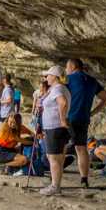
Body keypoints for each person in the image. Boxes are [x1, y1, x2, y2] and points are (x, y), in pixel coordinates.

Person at [64, 58, 106, 189]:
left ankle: (56, 179)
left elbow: (60, 97)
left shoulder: (69, 79)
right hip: (83, 119)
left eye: (67, 67)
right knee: (81, 148)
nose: (66, 70)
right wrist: (93, 112)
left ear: (72, 66)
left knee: (60, 147)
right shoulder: (92, 81)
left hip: (68, 118)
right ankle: (84, 179)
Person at [38, 66, 71, 196]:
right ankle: (56, 184)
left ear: (55, 77)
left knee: (53, 157)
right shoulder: (58, 88)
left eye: (48, 76)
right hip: (56, 127)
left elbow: (62, 103)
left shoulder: (58, 88)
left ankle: (55, 186)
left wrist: (62, 119)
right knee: (59, 157)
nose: (46, 78)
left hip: (55, 127)